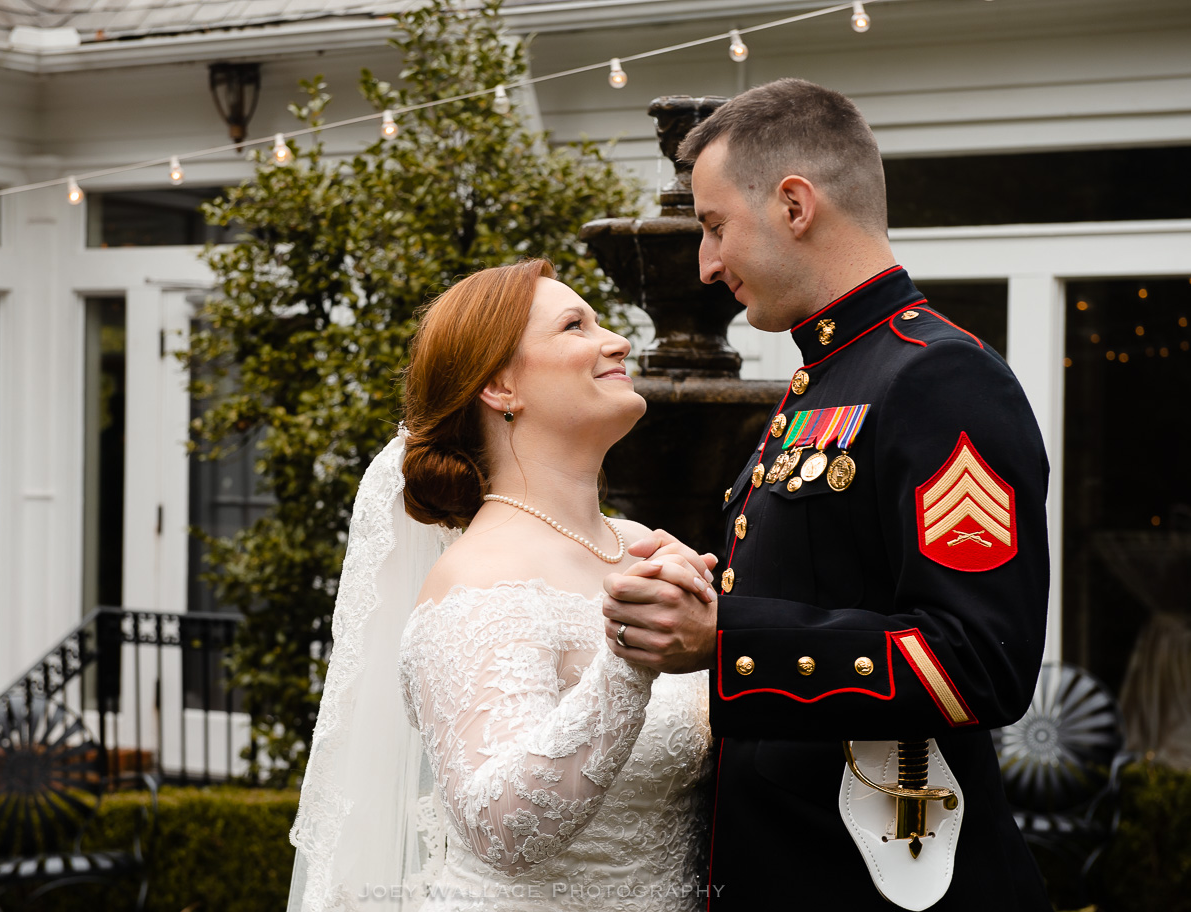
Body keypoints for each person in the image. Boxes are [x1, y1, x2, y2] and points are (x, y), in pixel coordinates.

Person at [600, 79, 1054, 910]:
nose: (706, 264)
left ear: (795, 204)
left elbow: (978, 661)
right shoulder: (823, 380)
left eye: (714, 227)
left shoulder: (940, 378)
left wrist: (726, 637)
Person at [288, 259, 721, 912]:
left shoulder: (640, 545)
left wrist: (714, 628)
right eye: (575, 326)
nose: (618, 341)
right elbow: (503, 830)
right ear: (499, 386)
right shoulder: (480, 579)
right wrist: (629, 660)